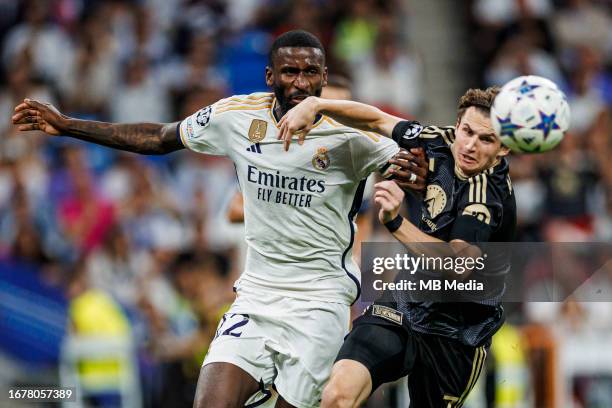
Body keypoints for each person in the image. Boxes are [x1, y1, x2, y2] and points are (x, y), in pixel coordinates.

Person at [12, 30, 428, 408]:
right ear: (269, 75)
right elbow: (160, 138)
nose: (300, 83)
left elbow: (424, 158)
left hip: (319, 303)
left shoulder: (353, 136)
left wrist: (416, 181)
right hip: (256, 296)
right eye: (289, 72)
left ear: (322, 78)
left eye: (310, 73)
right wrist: (67, 125)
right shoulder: (237, 117)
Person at [278, 87, 516, 407]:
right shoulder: (438, 138)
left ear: (504, 149)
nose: (470, 145)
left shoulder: (487, 196)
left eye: (485, 139)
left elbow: (457, 266)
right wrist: (316, 104)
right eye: (467, 131)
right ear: (456, 125)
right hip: (405, 303)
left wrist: (395, 222)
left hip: (456, 334)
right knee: (337, 395)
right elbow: (376, 119)